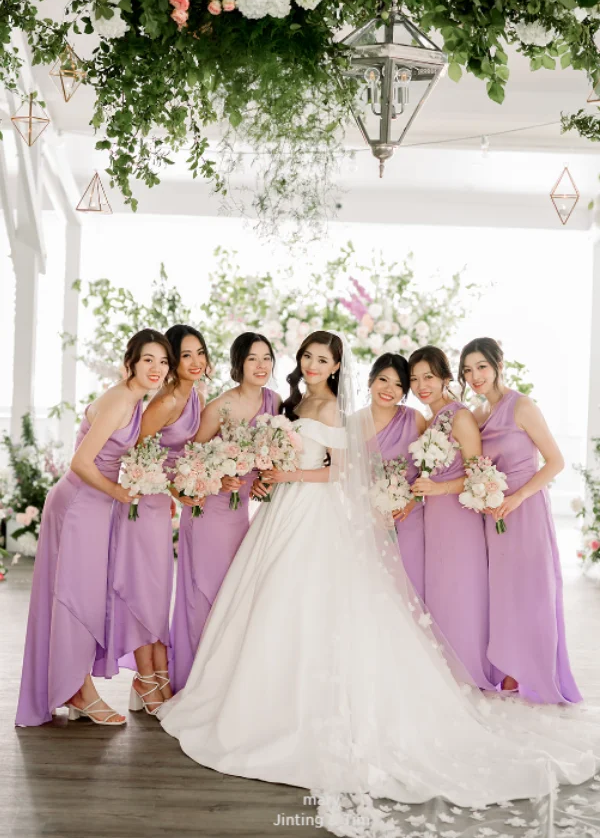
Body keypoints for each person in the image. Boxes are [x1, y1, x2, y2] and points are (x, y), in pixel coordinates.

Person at [158, 330, 599, 837]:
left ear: (338, 365)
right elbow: (282, 458)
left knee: (316, 601)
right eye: (307, 356)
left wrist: (286, 478)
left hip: (313, 510)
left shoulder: (344, 414)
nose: (313, 363)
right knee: (267, 603)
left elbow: (335, 472)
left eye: (323, 358)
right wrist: (265, 473)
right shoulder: (289, 402)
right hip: (281, 514)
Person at [16, 329, 172, 726]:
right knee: (75, 597)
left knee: (82, 595)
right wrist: (118, 491)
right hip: (79, 503)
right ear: (130, 363)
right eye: (148, 360)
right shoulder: (121, 399)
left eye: (163, 361)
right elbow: (81, 462)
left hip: (96, 505)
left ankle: (73, 686)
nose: (156, 368)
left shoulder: (137, 400)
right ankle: (78, 691)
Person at [460, 336, 582, 703]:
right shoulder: (478, 415)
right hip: (493, 512)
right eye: (467, 370)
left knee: (531, 590)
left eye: (481, 366)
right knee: (502, 592)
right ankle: (507, 669)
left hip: (525, 508)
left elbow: (556, 461)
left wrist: (519, 496)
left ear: (499, 364)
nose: (475, 376)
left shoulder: (522, 406)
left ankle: (530, 672)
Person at [99, 325, 207, 716]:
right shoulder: (164, 403)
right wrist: (176, 489)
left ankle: (155, 674)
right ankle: (146, 679)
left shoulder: (192, 394)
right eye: (185, 355)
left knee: (158, 594)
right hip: (142, 504)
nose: (195, 362)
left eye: (200, 353)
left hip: (161, 505)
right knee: (145, 593)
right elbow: (136, 454)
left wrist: (192, 480)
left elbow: (180, 454)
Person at [169, 331, 280, 693]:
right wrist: (220, 477)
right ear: (238, 364)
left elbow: (271, 462)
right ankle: (195, 682)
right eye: (252, 358)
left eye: (266, 358)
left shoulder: (274, 403)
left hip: (241, 515)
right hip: (208, 511)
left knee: (234, 594)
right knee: (206, 593)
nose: (261, 365)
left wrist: (263, 481)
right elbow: (189, 463)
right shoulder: (221, 406)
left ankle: (225, 682)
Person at [408, 345, 494, 689]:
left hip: (460, 518)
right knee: (440, 592)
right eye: (414, 379)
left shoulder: (460, 416)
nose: (421, 385)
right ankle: (443, 670)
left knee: (461, 590)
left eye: (428, 376)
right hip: (433, 520)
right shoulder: (427, 421)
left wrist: (439, 489)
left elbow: (478, 475)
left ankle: (467, 672)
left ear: (446, 377)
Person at [367, 353, 426, 598]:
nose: (389, 389)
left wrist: (412, 501)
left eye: (399, 384)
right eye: (383, 379)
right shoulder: (352, 423)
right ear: (370, 380)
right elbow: (345, 477)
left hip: (411, 517)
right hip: (370, 521)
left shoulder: (415, 418)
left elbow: (431, 471)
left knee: (411, 587)